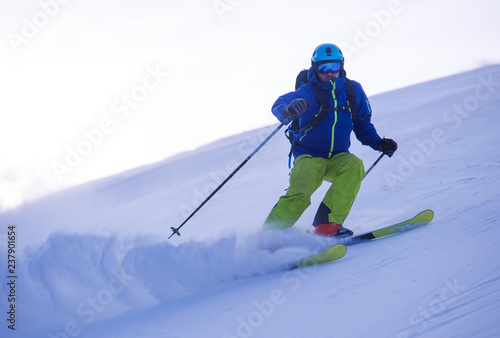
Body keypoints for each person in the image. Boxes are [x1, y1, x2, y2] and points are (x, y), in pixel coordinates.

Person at [263, 43, 397, 237]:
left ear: (341, 66)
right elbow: (279, 103)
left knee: (354, 166)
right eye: (323, 68)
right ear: (314, 69)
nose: (329, 73)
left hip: (338, 157)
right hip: (309, 155)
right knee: (301, 192)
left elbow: (361, 123)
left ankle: (326, 225)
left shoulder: (353, 90)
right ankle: (269, 237)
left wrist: (378, 143)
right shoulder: (308, 91)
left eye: (334, 66)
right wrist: (288, 110)